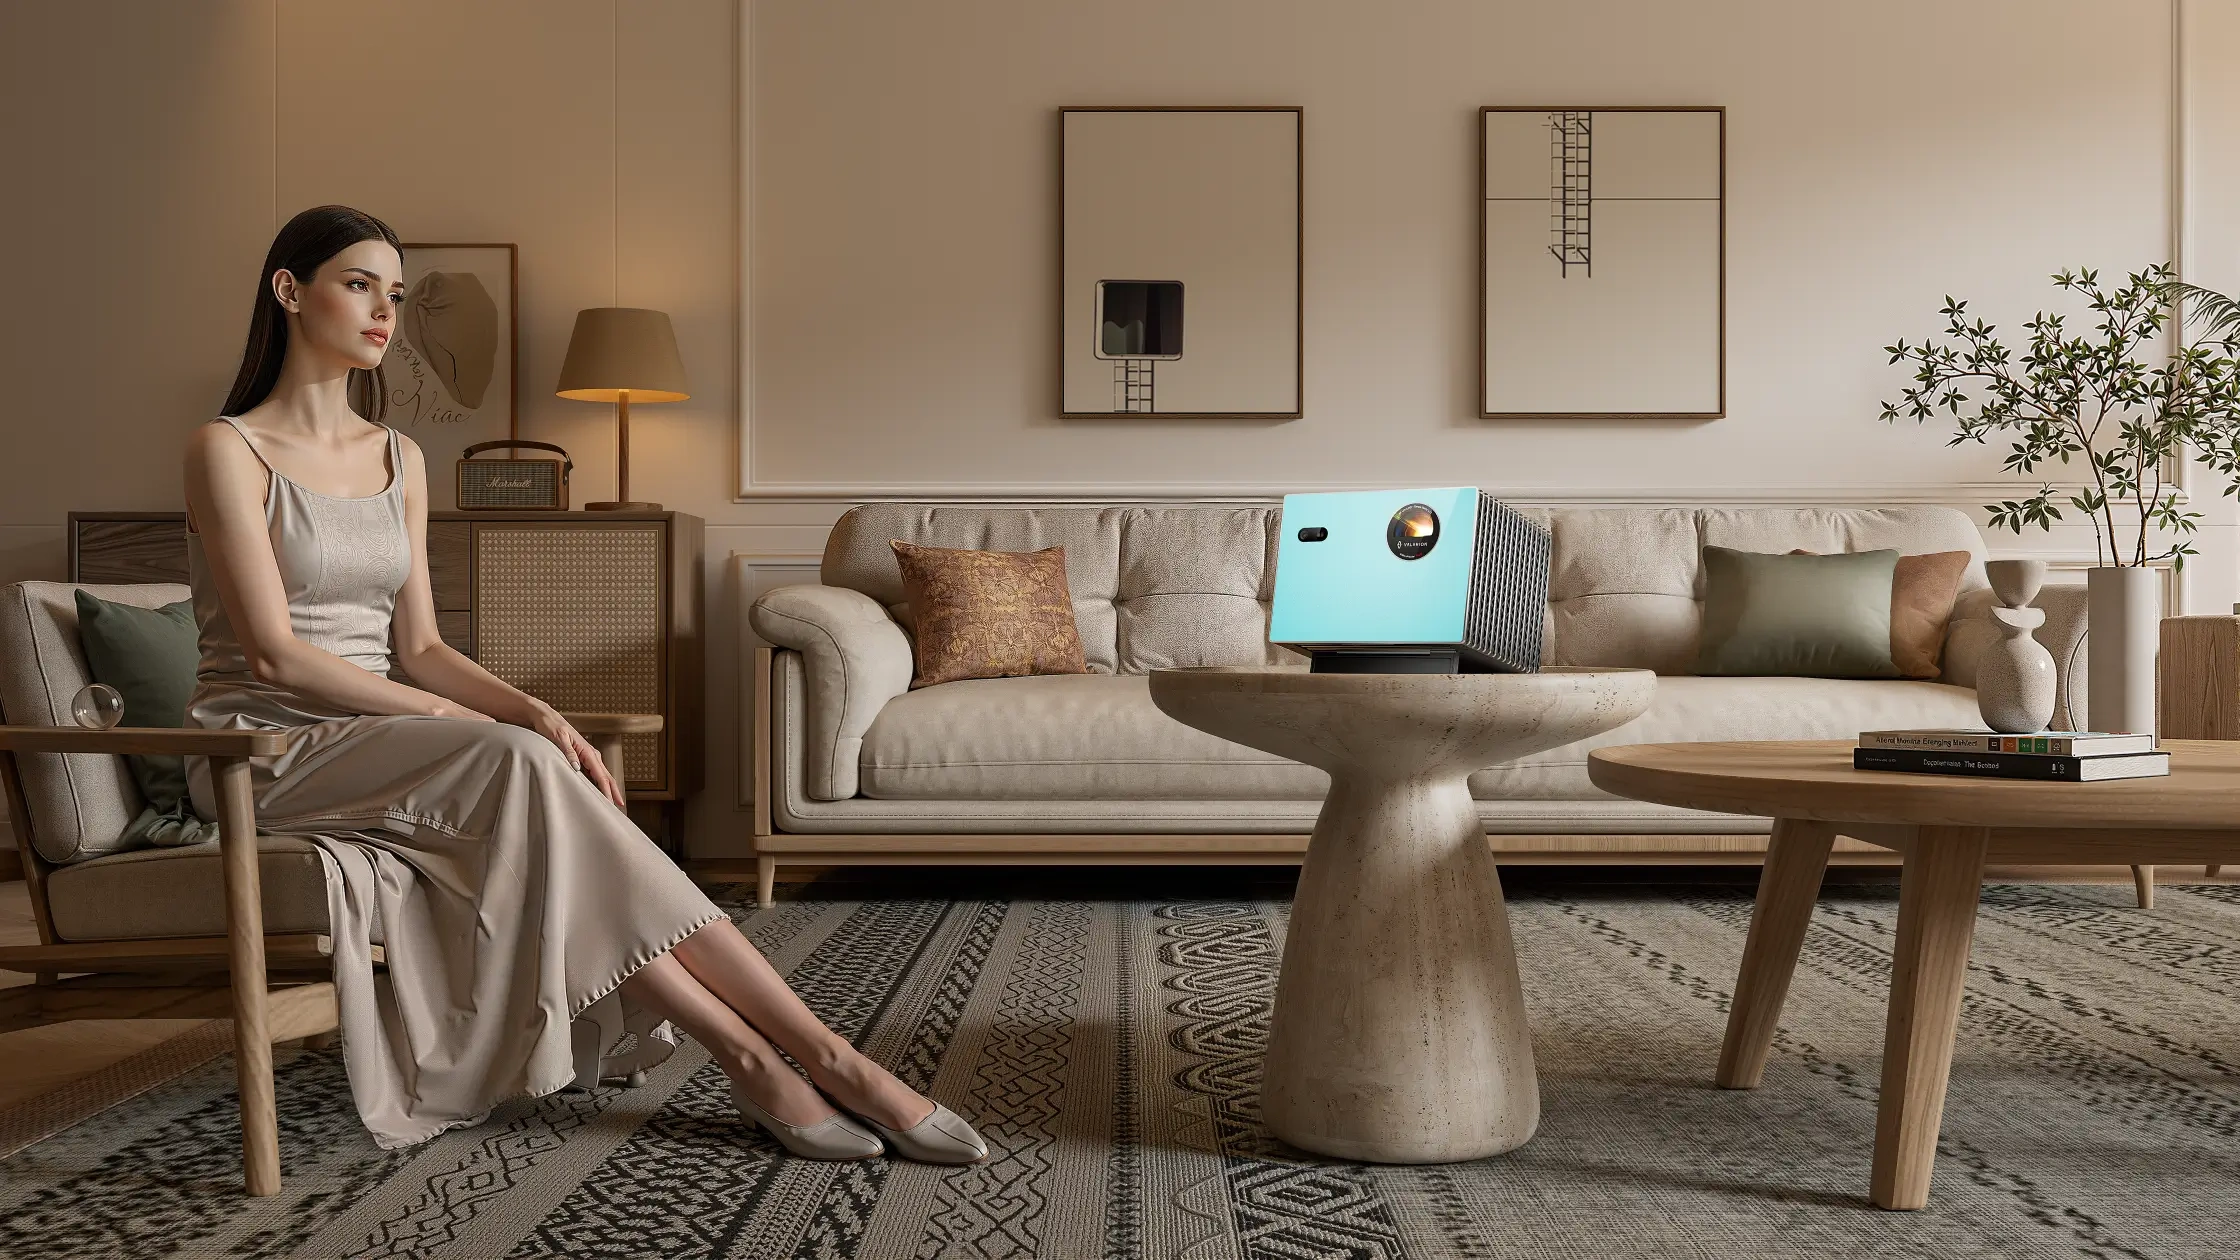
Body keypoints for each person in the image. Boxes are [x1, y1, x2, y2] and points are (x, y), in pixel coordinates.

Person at [181, 204, 985, 1164]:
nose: (385, 312)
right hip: (265, 752)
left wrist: (537, 710)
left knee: (545, 798)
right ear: (288, 290)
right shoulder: (226, 450)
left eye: (394, 292)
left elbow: (423, 644)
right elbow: (274, 655)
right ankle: (819, 1060)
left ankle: (779, 1061)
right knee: (520, 767)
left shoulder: (400, 457)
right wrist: (458, 722)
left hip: (390, 742)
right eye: (359, 286)